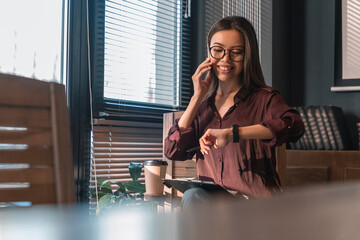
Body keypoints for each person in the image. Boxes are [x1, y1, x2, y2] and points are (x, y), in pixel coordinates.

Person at [164, 16, 304, 206]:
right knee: (193, 196)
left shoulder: (264, 98)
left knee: (193, 198)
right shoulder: (203, 108)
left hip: (256, 210)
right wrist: (196, 98)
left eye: (236, 52)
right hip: (213, 211)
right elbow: (173, 151)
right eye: (218, 50)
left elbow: (293, 125)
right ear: (209, 52)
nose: (225, 59)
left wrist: (233, 133)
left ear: (247, 55)